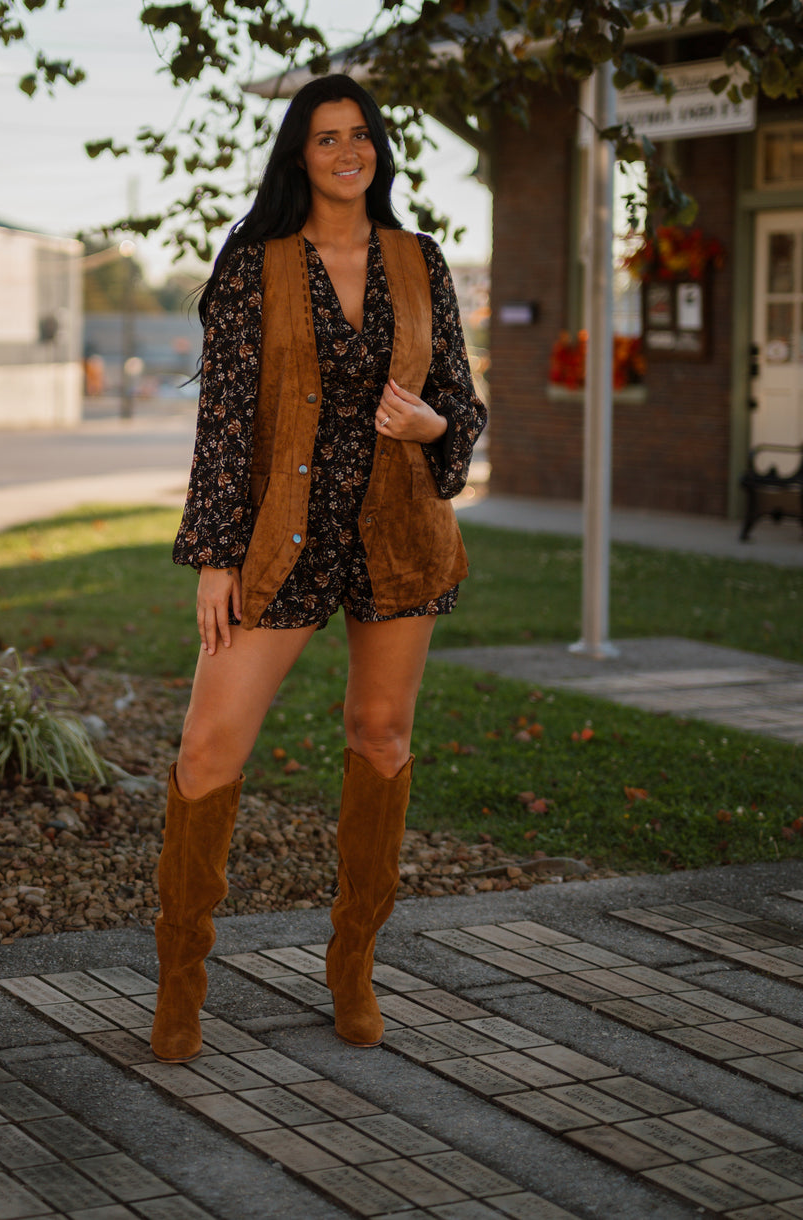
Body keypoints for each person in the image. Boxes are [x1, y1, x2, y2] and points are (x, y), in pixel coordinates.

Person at [151, 73, 487, 1063]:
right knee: (207, 749)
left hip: (398, 531)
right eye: (328, 137)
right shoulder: (255, 264)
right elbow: (223, 421)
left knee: (381, 735)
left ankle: (353, 968)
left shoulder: (420, 261)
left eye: (361, 134)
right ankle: (180, 987)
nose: (349, 151)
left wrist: (431, 428)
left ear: (378, 148)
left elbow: (459, 404)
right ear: (300, 154)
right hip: (281, 536)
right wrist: (215, 558)